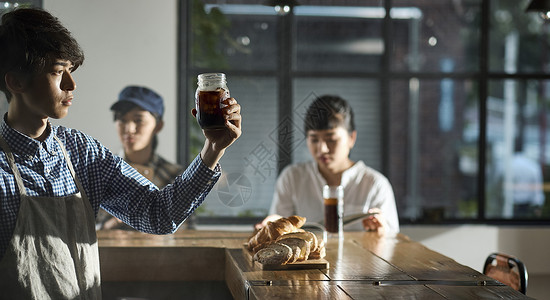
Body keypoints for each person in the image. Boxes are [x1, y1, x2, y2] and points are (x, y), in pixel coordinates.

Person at [0, 7, 241, 299]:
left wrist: (212, 149)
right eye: (57, 72)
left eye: (71, 72)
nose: (71, 85)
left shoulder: (82, 153)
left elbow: (159, 214)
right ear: (15, 81)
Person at [258, 95, 399, 234]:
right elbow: (278, 226)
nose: (322, 149)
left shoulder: (376, 184)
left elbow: (393, 242)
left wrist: (382, 232)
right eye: (314, 140)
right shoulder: (292, 178)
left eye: (331, 139)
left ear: (352, 138)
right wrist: (271, 225)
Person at [96, 85, 188, 230]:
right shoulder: (100, 171)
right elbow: (83, 227)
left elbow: (187, 231)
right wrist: (106, 228)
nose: (129, 129)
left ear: (158, 126)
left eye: (138, 120)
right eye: (122, 120)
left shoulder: (176, 176)